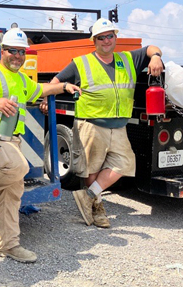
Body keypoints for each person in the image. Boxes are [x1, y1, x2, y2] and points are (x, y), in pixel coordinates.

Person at [0, 28, 81, 263]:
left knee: (13, 193)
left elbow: (41, 90)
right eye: (12, 51)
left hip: (13, 140)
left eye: (21, 52)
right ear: (2, 51)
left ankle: (9, 246)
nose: (17, 56)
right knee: (19, 167)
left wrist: (64, 86)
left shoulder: (21, 79)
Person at [42, 18, 163, 228]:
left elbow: (151, 48)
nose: (106, 41)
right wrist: (46, 99)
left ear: (115, 38)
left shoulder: (128, 59)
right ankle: (97, 210)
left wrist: (156, 57)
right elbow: (55, 82)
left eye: (109, 36)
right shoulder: (81, 63)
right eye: (101, 37)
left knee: (125, 163)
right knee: (92, 170)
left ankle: (88, 196)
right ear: (94, 41)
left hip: (118, 126)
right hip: (91, 124)